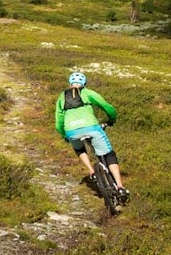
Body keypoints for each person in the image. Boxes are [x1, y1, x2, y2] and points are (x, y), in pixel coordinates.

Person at [55, 71, 129, 203]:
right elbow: (106, 106)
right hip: (91, 128)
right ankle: (119, 186)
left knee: (79, 149)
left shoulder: (62, 96)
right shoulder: (87, 92)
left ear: (70, 83)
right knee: (109, 155)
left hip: (72, 131)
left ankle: (91, 171)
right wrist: (112, 118)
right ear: (84, 83)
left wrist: (64, 135)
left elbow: (59, 120)